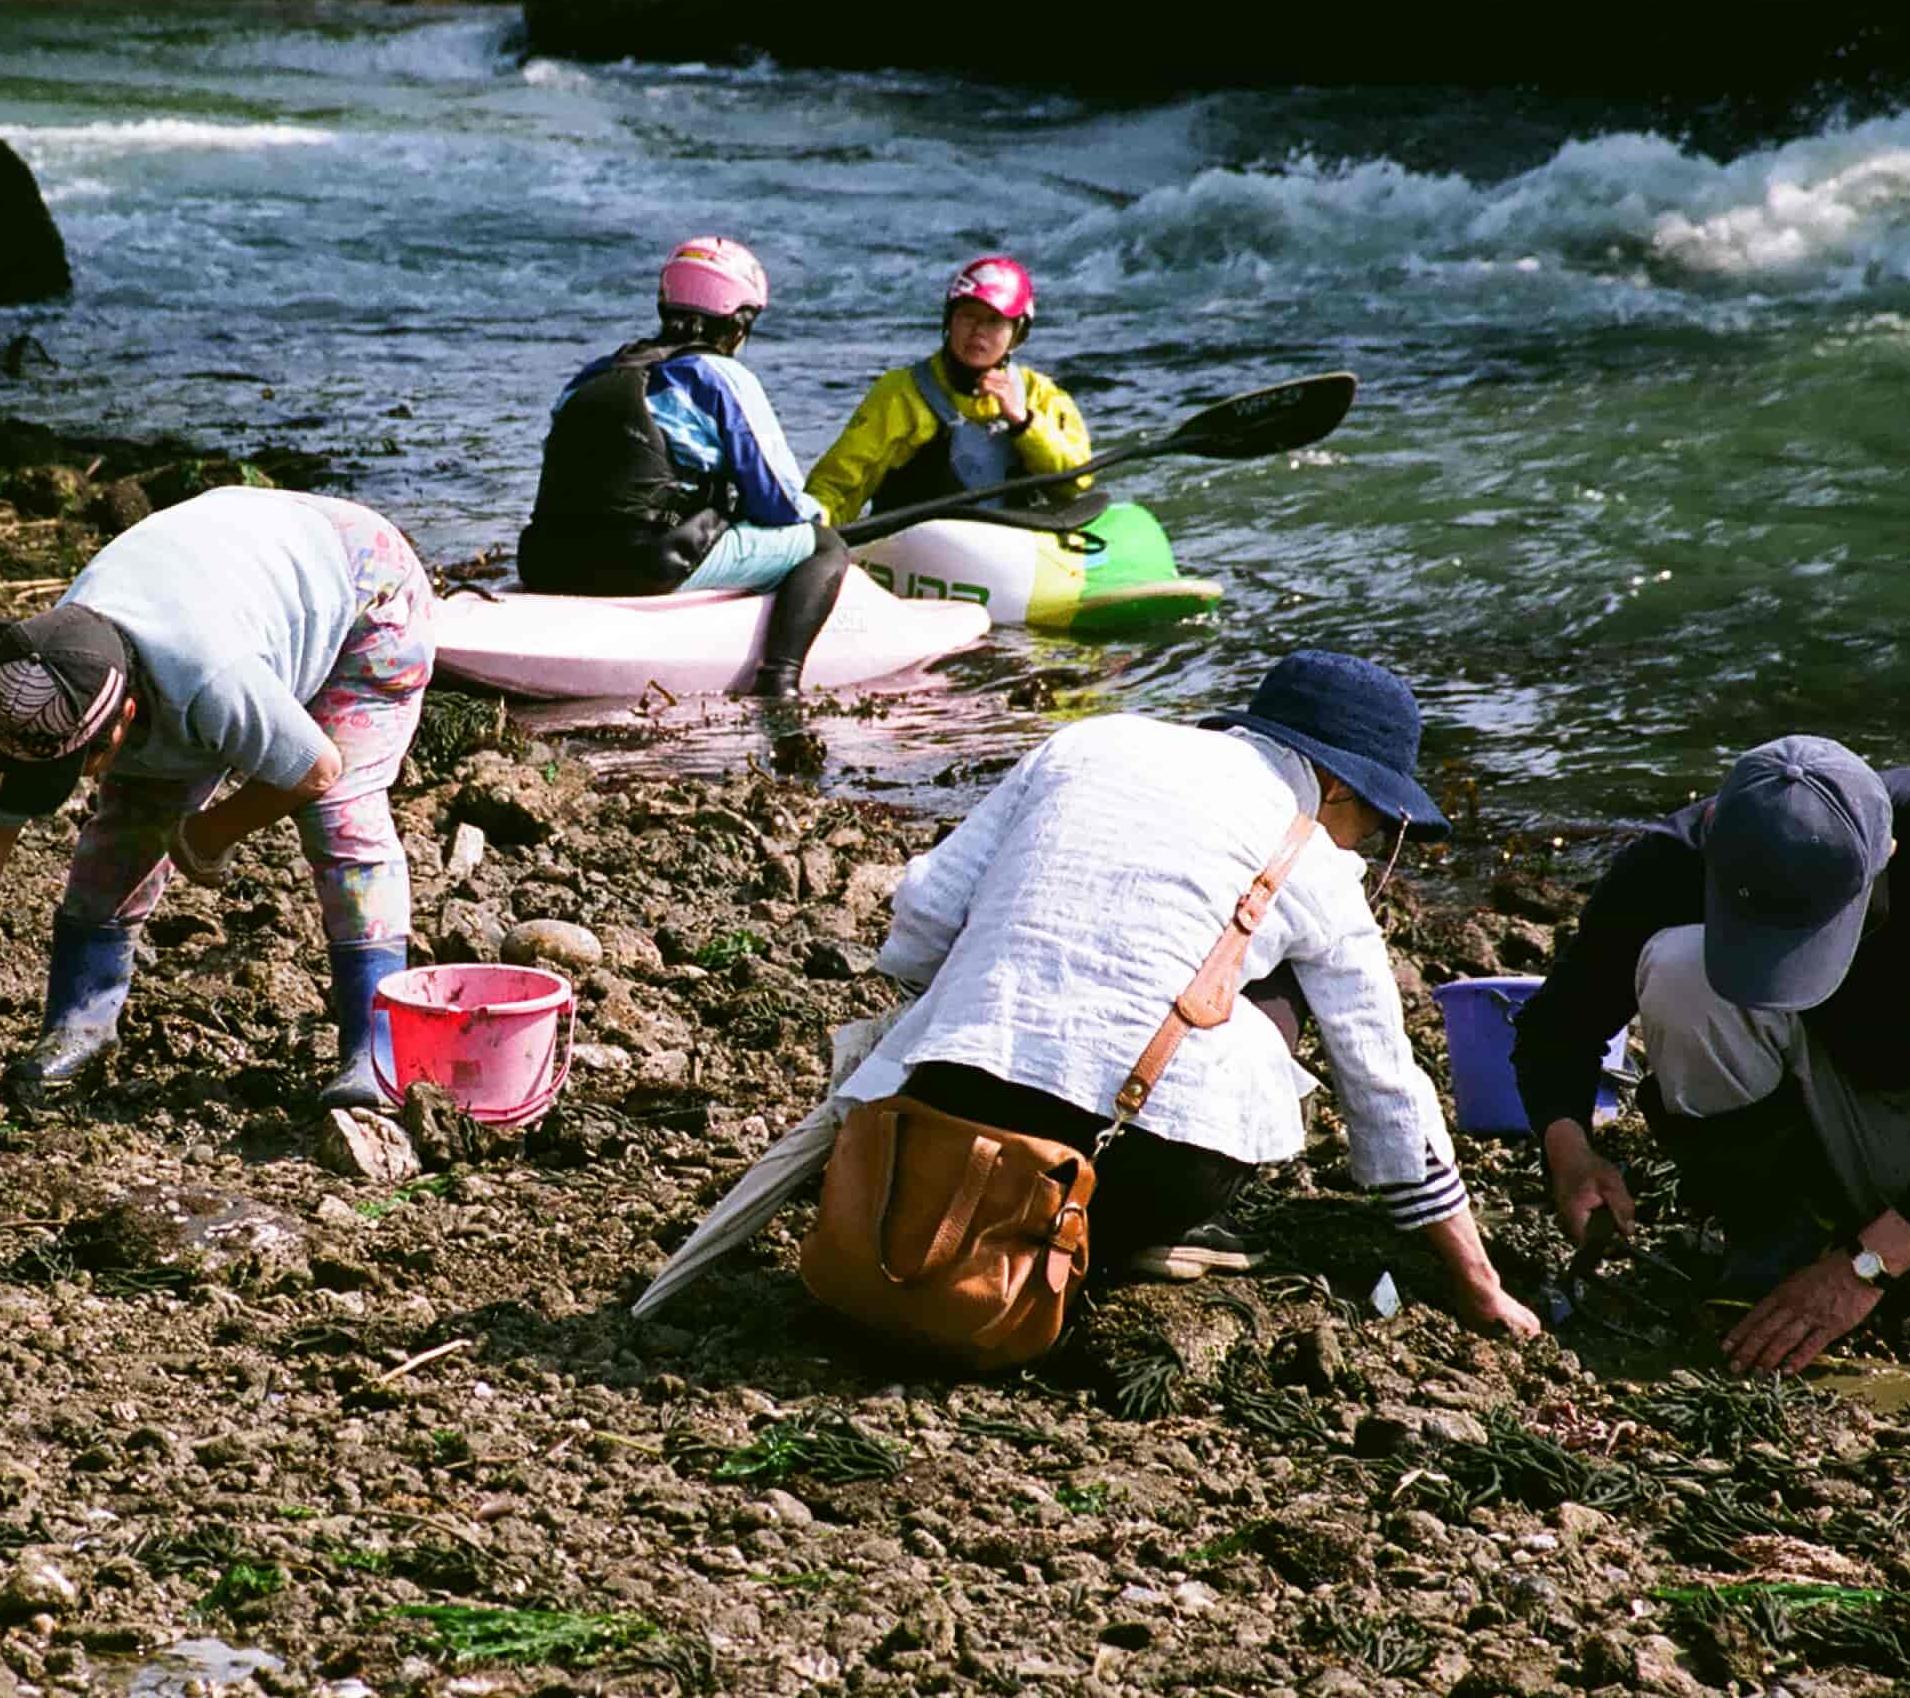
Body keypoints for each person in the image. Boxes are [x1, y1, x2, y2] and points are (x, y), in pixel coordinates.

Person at [835, 650, 1539, 1333]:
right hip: (1129, 1171)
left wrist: (964, 1004)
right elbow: (1382, 1085)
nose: (1368, 847)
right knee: (1274, 974)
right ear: (1335, 786)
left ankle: (947, 1193)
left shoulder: (1088, 743)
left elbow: (927, 908)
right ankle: (1137, 1234)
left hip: (940, 1117)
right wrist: (1480, 1286)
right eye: (1379, 823)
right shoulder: (1314, 857)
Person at [1511, 737, 1910, 1374]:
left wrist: (1866, 1267)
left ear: (1889, 855)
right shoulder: (1672, 859)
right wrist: (1572, 1152)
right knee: (1679, 966)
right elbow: (1558, 1026)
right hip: (1823, 1126)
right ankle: (1773, 1223)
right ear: (1713, 842)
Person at [0, 487, 435, 1112]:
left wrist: (210, 833)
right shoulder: (43, 667)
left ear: (124, 718)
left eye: (82, 762)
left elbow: (316, 768)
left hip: (366, 589)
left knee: (343, 816)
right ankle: (80, 1022)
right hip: (232, 567)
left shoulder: (211, 679)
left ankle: (378, 1044)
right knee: (125, 825)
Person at [519, 237, 850, 698]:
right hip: (646, 564)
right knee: (822, 546)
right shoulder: (720, 377)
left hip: (547, 562)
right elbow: (780, 506)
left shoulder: (590, 376)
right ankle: (780, 682)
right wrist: (819, 515)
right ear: (738, 323)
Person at [806, 255, 1092, 527]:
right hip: (915, 548)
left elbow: (1075, 483)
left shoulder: (1039, 394)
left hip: (1012, 549)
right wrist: (818, 529)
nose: (978, 330)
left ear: (1017, 333)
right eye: (968, 316)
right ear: (950, 321)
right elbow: (839, 484)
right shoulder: (900, 393)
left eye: (993, 321)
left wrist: (1024, 424)